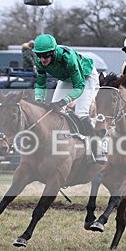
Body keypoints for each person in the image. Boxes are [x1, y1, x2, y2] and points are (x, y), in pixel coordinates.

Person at [32, 33, 105, 163]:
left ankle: (97, 148)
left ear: (53, 52)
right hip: (66, 78)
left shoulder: (68, 58)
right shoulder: (40, 62)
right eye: (39, 55)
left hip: (86, 76)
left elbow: (79, 86)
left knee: (81, 113)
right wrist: (39, 101)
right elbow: (41, 84)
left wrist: (64, 101)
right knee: (54, 111)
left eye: (46, 55)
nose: (43, 59)